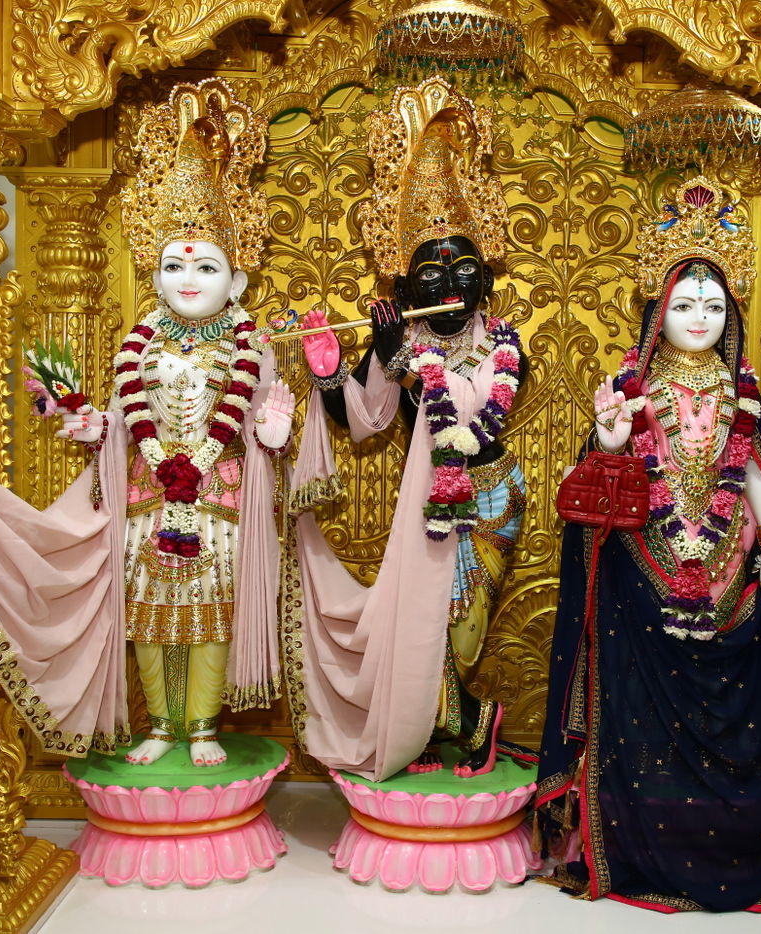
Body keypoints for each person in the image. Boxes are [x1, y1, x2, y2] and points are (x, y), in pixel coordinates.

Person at [0, 78, 291, 768]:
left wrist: (273, 424)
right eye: (173, 265)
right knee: (148, 616)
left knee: (209, 615)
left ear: (236, 283)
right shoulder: (139, 344)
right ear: (152, 275)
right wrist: (96, 426)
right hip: (148, 495)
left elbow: (269, 424)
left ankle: (203, 728)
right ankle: (161, 726)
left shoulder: (251, 347)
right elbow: (127, 418)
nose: (188, 277)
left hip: (218, 501)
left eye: (206, 265)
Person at [533, 177, 761, 912]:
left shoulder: (738, 393)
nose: (700, 319)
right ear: (660, 312)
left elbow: (753, 473)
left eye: (715, 307)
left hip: (729, 574)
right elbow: (599, 472)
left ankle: (727, 841)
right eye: (685, 305)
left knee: (734, 713)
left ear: (733, 318)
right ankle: (634, 845)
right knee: (636, 715)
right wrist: (609, 436)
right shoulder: (635, 386)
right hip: (643, 567)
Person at [288, 77, 527, 781]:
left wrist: (408, 362)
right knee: (425, 629)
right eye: (429, 269)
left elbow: (478, 429)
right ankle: (450, 728)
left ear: (483, 280)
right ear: (405, 288)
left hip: (488, 496)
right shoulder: (400, 339)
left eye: (461, 265)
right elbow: (363, 423)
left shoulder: (507, 344)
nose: (446, 279)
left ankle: (457, 722)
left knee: (461, 628)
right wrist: (334, 374)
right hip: (426, 506)